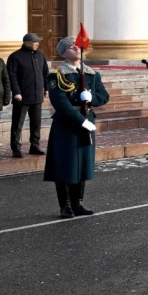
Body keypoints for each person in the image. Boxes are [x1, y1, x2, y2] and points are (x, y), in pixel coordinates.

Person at [45, 37, 110, 218]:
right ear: (63, 53)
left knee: (82, 164)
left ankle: (78, 203)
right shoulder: (57, 75)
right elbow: (60, 102)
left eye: (78, 46)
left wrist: (91, 98)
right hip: (67, 124)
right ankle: (65, 205)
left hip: (87, 121)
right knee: (65, 164)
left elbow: (104, 96)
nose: (77, 49)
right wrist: (80, 120)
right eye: (72, 47)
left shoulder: (91, 74)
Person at [7, 33, 50, 157]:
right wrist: (16, 92)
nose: (37, 44)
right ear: (26, 43)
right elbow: (12, 76)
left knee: (36, 123)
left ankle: (34, 146)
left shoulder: (40, 55)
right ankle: (16, 148)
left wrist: (46, 88)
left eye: (38, 42)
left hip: (37, 95)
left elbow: (45, 73)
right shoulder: (15, 57)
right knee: (18, 124)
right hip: (22, 96)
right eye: (34, 42)